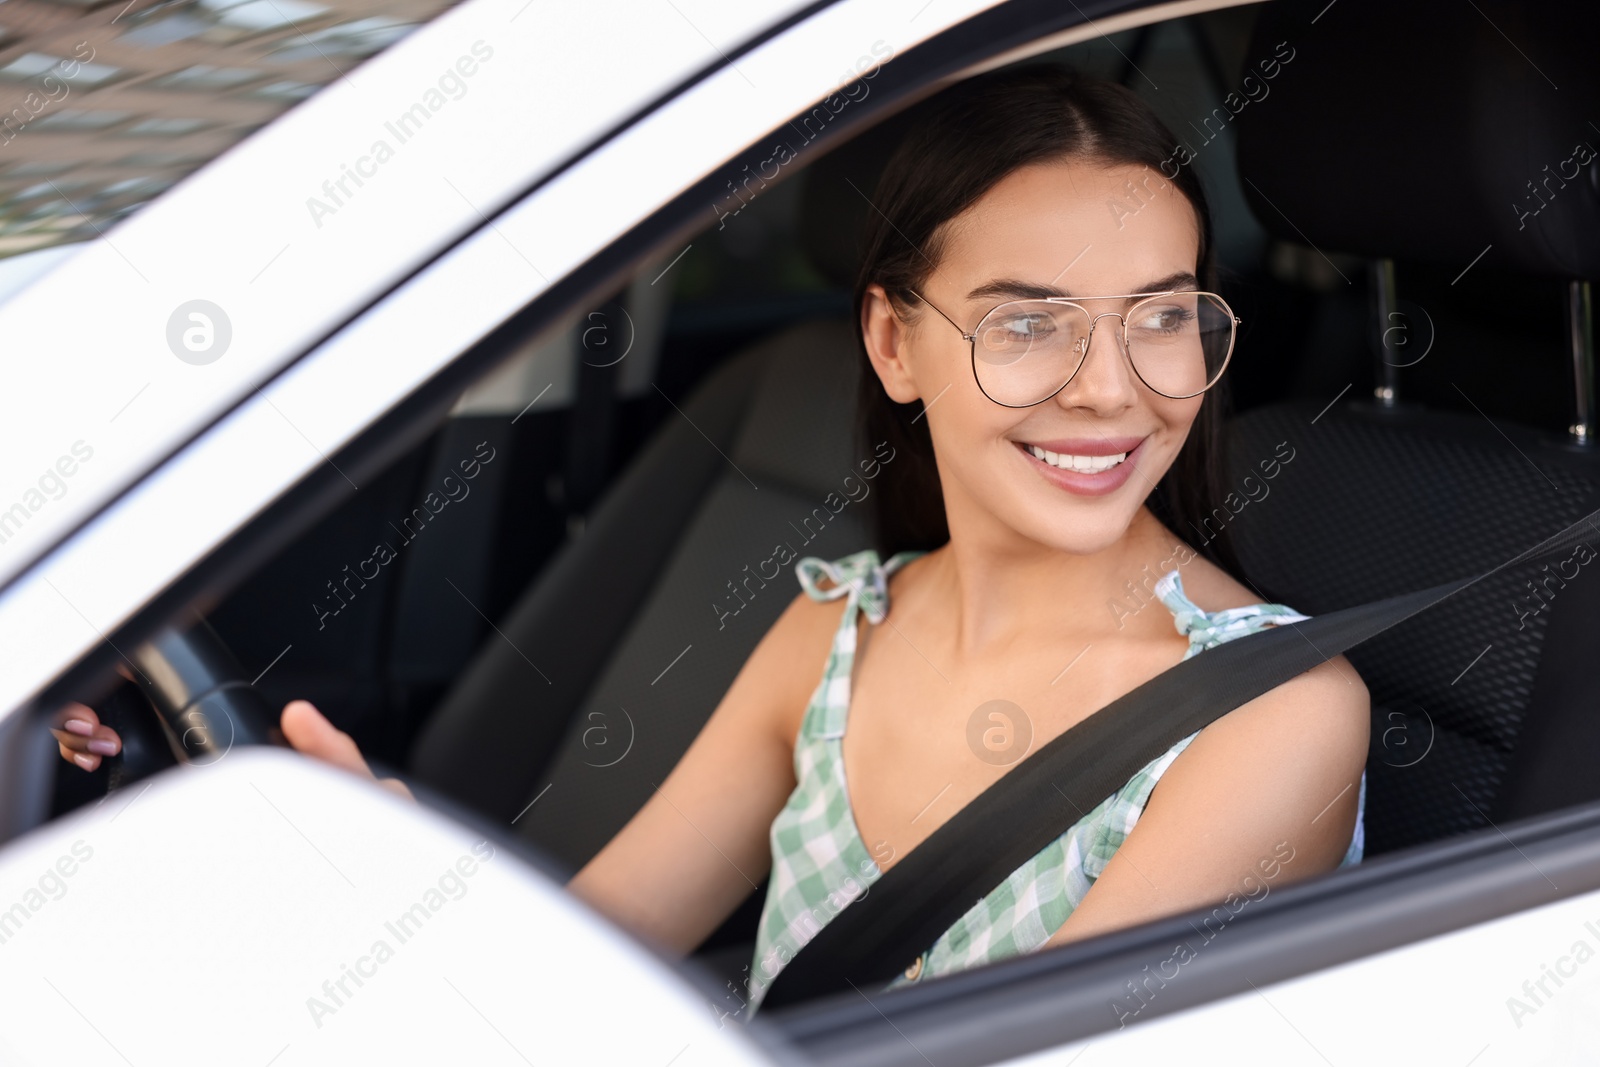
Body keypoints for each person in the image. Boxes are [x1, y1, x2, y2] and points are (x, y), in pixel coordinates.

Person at [56, 64, 1368, 1015]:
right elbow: (592, 959)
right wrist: (379, 870)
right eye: (1027, 324)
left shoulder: (1273, 718)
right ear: (894, 344)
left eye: (1160, 317)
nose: (1111, 388)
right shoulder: (835, 627)